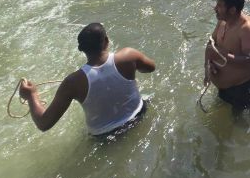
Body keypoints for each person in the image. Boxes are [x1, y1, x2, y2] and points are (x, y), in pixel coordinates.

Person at [19, 23, 155, 135]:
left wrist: (31, 95)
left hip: (106, 136)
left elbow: (44, 123)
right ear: (106, 41)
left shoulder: (73, 82)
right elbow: (150, 68)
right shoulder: (129, 56)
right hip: (139, 116)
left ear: (82, 49)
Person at [204, 0, 250, 111]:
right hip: (223, 88)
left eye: (219, 6)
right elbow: (211, 43)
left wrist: (223, 55)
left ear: (232, 10)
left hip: (241, 90)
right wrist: (208, 65)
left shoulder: (247, 29)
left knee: (242, 121)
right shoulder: (222, 20)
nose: (215, 8)